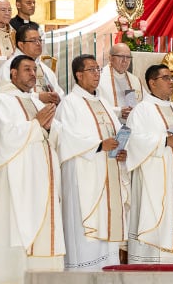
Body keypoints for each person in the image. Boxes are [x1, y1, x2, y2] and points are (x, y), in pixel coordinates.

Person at [0, 54, 64, 284]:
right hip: (18, 174)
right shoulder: (3, 101)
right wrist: (36, 124)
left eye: (34, 70)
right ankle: (11, 276)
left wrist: (49, 129)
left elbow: (56, 131)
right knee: (15, 222)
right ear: (13, 73)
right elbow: (5, 138)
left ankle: (44, 274)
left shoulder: (35, 101)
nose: (32, 74)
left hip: (42, 172)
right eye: (27, 69)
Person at [54, 54, 127, 272]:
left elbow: (115, 134)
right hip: (83, 174)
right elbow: (65, 138)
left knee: (108, 221)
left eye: (98, 70)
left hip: (108, 171)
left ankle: (108, 268)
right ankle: (82, 273)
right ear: (78, 75)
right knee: (85, 225)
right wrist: (98, 145)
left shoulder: (104, 102)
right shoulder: (69, 103)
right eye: (91, 70)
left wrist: (121, 150)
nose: (97, 74)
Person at [125, 65, 173, 264]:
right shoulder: (142, 110)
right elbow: (134, 141)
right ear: (152, 83)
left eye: (172, 78)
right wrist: (165, 141)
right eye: (166, 78)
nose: (171, 82)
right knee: (157, 224)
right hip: (157, 182)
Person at [8, 24, 64, 100]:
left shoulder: (44, 69)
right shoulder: (9, 67)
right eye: (33, 40)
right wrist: (38, 97)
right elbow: (7, 93)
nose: (38, 44)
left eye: (40, 40)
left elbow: (59, 92)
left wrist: (57, 98)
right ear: (21, 45)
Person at [97, 42, 144, 123]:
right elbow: (94, 106)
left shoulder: (134, 80)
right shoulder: (99, 78)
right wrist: (118, 112)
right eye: (121, 56)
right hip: (108, 125)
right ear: (110, 58)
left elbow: (145, 103)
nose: (125, 61)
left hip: (130, 127)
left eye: (128, 57)